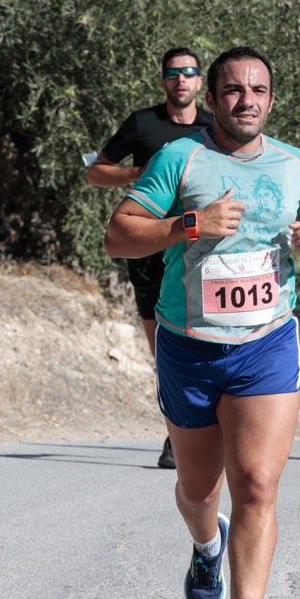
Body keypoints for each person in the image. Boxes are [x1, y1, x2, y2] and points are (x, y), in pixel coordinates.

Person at [105, 46, 300, 599]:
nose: (246, 100)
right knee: (199, 491)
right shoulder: (180, 159)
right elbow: (119, 234)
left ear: (271, 99)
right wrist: (190, 224)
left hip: (268, 341)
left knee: (258, 484)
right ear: (212, 100)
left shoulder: (294, 164)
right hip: (189, 344)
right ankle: (207, 548)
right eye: (232, 90)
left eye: (258, 90)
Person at [87, 48, 214, 470]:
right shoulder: (143, 123)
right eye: (173, 73)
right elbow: (95, 171)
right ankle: (177, 435)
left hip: (202, 252)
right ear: (163, 81)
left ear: (200, 82)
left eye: (190, 72)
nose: (181, 79)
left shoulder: (216, 128)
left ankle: (207, 428)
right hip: (151, 250)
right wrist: (134, 175)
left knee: (210, 339)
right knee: (164, 351)